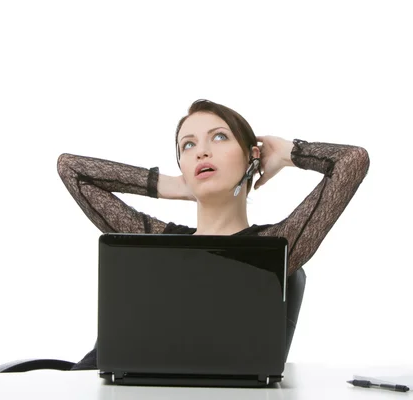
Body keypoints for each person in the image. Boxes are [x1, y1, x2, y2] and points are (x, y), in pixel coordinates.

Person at [56, 99, 370, 370]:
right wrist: (174, 185)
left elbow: (352, 160)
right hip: (94, 387)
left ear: (252, 157)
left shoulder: (273, 249)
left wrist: (287, 152)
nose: (201, 152)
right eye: (188, 145)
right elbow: (70, 168)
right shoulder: (156, 240)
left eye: (219, 137)